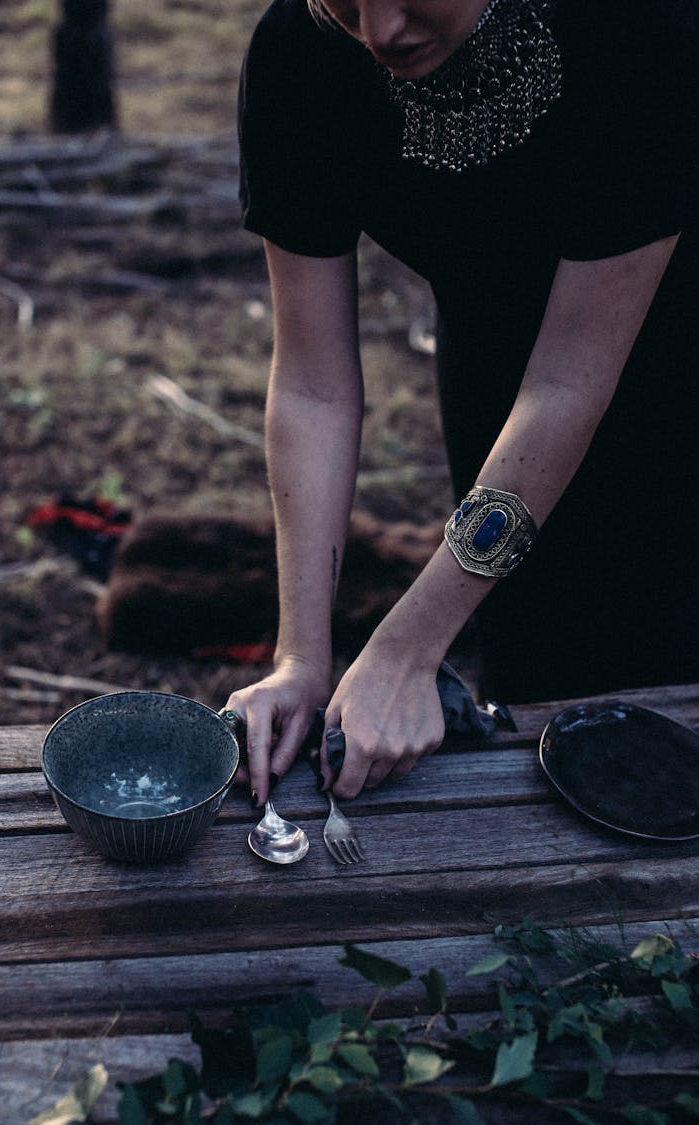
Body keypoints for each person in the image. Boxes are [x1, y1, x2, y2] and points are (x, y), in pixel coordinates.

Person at [224, 0, 699, 807]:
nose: (379, 30)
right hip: (501, 397)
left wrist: (407, 648)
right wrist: (303, 658)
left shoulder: (642, 29)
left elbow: (570, 383)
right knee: (557, 727)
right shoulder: (299, 56)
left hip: (672, 373)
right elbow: (312, 382)